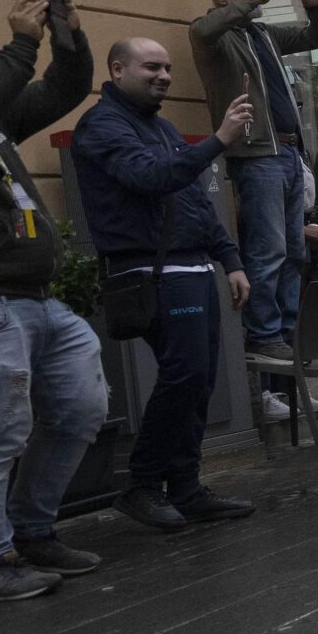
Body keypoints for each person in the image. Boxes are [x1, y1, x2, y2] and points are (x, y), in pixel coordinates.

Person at [73, 38, 256, 532]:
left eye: (168, 68)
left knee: (198, 380)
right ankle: (142, 484)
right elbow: (150, 178)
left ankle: (187, 488)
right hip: (151, 270)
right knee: (185, 376)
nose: (165, 76)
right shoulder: (102, 126)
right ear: (117, 70)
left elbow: (192, 199)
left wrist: (229, 257)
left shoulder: (161, 125)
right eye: (151, 66)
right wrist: (218, 140)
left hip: (191, 267)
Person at [0, 0, 106, 595]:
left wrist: (68, 40)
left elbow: (62, 91)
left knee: (78, 409)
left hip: (38, 297)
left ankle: (32, 531)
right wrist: (19, 44)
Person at [191, 0, 318, 419]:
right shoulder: (213, 34)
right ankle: (264, 337)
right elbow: (206, 29)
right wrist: (257, 0)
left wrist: (314, 9)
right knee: (268, 250)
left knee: (293, 251)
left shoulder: (262, 36)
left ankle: (284, 350)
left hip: (289, 154)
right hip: (257, 156)